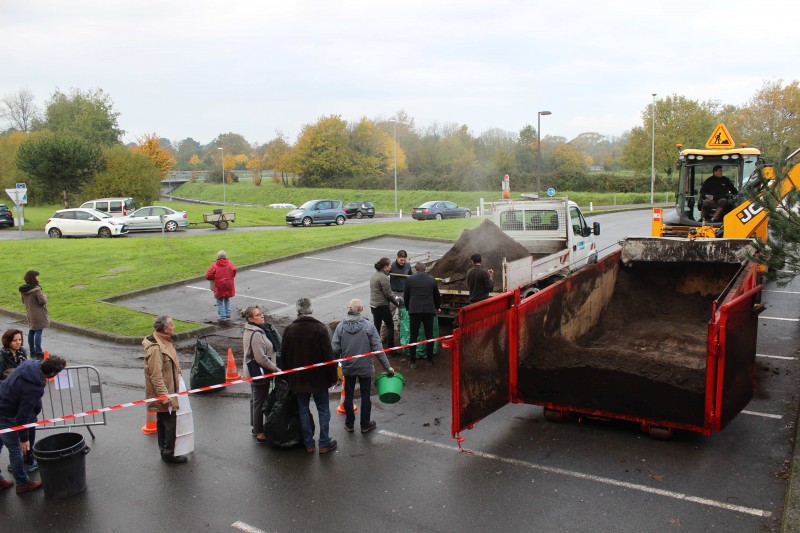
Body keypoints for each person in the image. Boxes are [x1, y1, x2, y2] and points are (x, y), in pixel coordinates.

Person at [0, 355, 66, 493]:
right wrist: (24, 439)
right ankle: (22, 483)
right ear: (52, 374)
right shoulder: (34, 388)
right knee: (15, 449)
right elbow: (22, 416)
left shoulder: (29, 364)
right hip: (7, 415)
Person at [281, 298, 338, 454]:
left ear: (298, 310)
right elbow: (329, 356)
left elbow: (283, 355)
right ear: (311, 310)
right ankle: (324, 442)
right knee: (323, 410)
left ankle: (308, 443)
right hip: (319, 379)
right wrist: (333, 376)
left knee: (303, 410)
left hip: (298, 379)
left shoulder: (289, 330)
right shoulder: (320, 329)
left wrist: (287, 377)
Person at [332, 298, 394, 434]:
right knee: (366, 396)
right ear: (361, 310)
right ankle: (365, 424)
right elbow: (378, 349)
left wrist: (334, 367)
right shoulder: (368, 326)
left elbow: (335, 349)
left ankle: (349, 424)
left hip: (348, 367)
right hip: (365, 367)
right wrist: (387, 367)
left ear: (349, 309)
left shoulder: (340, 327)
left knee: (348, 396)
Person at [143, 315, 188, 464]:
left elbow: (169, 364)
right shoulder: (156, 348)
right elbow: (156, 376)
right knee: (169, 424)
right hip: (165, 393)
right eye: (171, 324)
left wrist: (177, 370)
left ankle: (166, 451)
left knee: (163, 422)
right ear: (165, 328)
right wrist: (165, 397)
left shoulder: (165, 341)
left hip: (169, 390)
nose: (174, 327)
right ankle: (169, 453)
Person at [0, 329, 38, 475]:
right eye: (15, 340)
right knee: (14, 442)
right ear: (7, 341)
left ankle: (28, 458)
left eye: (20, 340)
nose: (18, 343)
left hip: (25, 400)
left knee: (30, 431)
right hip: (11, 402)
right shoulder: (2, 357)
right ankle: (21, 472)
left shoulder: (22, 353)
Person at [241, 305, 279, 444]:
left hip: (252, 371)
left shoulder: (252, 329)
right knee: (259, 401)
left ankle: (255, 427)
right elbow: (261, 358)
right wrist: (275, 369)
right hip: (259, 372)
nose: (262, 316)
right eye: (258, 315)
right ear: (251, 318)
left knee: (255, 399)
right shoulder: (256, 333)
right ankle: (259, 431)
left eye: (262, 313)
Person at [404, 262, 441, 368]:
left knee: (413, 335)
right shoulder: (431, 279)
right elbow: (436, 296)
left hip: (414, 310)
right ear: (425, 269)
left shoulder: (410, 279)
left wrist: (408, 308)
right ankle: (429, 360)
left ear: (415, 269)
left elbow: (406, 295)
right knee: (429, 335)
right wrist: (437, 307)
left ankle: (412, 361)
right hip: (429, 310)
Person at [370, 257, 401, 351]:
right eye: (390, 265)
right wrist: (397, 302)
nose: (391, 267)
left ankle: (375, 346)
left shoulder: (374, 275)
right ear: (385, 267)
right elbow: (388, 294)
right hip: (382, 306)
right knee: (390, 326)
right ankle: (391, 348)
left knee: (376, 326)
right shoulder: (384, 278)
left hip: (373, 305)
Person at [19, 270, 48, 358]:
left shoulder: (24, 289)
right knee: (38, 331)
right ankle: (38, 351)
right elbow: (42, 301)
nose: (38, 278)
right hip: (38, 313)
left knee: (31, 331)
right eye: (36, 276)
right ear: (33, 278)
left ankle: (32, 350)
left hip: (30, 313)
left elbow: (23, 301)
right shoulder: (37, 289)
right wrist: (45, 297)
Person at [387, 250, 412, 343]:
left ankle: (401, 332)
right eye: (401, 260)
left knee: (403, 314)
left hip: (404, 293)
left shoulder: (408, 266)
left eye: (404, 260)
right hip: (394, 293)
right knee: (389, 314)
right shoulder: (391, 266)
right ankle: (383, 336)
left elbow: (411, 277)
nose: (403, 262)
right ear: (397, 257)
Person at [206, 250, 237, 322]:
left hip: (219, 285)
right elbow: (234, 272)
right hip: (229, 284)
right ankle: (227, 313)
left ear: (218, 257)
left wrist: (212, 278)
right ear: (225, 256)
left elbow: (208, 275)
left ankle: (223, 317)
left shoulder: (214, 265)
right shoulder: (230, 264)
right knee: (227, 299)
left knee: (219, 301)